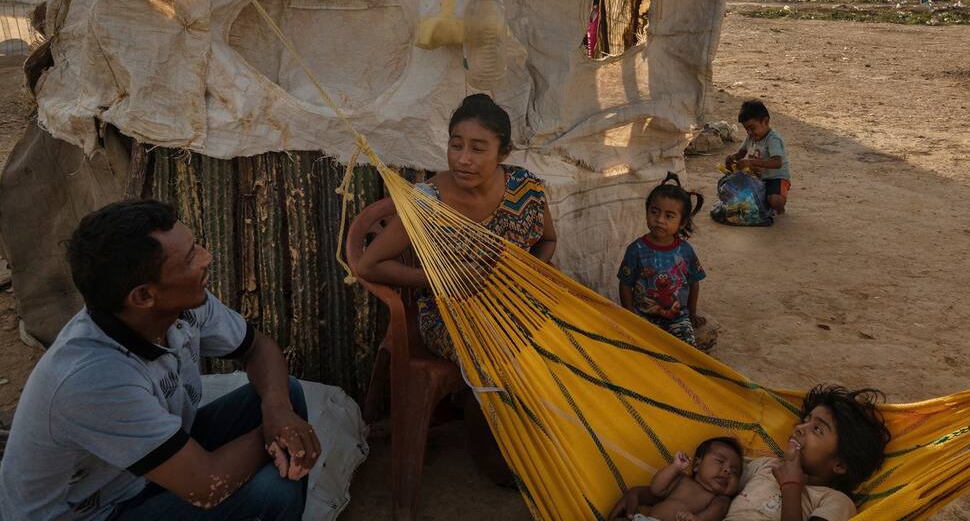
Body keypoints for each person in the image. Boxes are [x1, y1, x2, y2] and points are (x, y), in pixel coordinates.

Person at [0, 200, 319, 521]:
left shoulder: (182, 306)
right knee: (272, 492)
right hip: (97, 512)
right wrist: (274, 431)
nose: (207, 257)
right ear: (143, 296)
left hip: (138, 474)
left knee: (284, 393)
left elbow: (256, 347)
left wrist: (277, 410)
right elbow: (207, 485)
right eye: (190, 257)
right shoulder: (92, 379)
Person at [357, 92, 557, 483]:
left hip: (513, 301)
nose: (463, 158)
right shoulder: (430, 201)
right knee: (499, 355)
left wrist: (527, 272)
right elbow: (370, 264)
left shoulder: (524, 189)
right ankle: (498, 456)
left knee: (564, 342)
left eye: (478, 148)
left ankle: (555, 437)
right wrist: (440, 277)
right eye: (456, 145)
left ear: (503, 153)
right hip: (450, 311)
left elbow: (547, 240)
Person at [725, 385, 891, 521]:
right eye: (805, 421)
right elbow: (711, 480)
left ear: (839, 464)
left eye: (817, 429)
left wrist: (791, 486)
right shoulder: (765, 466)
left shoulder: (835, 502)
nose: (800, 428)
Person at [617, 173, 706, 346]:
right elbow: (625, 284)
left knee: (686, 352)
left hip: (678, 318)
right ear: (647, 211)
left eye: (669, 216)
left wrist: (692, 314)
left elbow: (694, 282)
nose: (659, 220)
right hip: (643, 317)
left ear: (682, 223)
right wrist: (629, 316)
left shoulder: (685, 251)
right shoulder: (636, 249)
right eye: (654, 212)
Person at [608, 437, 743, 521]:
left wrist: (698, 519)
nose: (727, 470)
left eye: (735, 472)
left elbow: (718, 511)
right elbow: (656, 489)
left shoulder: (720, 499)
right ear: (696, 465)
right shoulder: (681, 480)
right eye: (720, 461)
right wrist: (675, 467)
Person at [725, 100, 791, 215]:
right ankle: (763, 200)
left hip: (775, 178)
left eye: (752, 128)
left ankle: (778, 207)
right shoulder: (750, 137)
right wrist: (731, 159)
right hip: (757, 178)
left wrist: (751, 162)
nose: (750, 132)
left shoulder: (773, 139)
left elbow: (777, 163)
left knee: (775, 201)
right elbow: (740, 154)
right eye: (747, 129)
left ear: (765, 121)